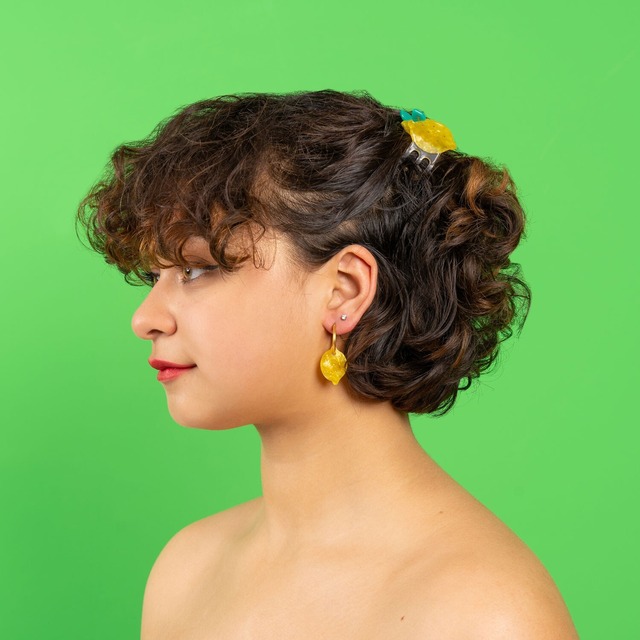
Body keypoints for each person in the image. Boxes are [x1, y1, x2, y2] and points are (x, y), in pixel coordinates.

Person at [76, 90, 579, 639]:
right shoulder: (187, 570)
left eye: (196, 269)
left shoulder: (484, 616)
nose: (145, 319)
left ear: (345, 290)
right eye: (154, 277)